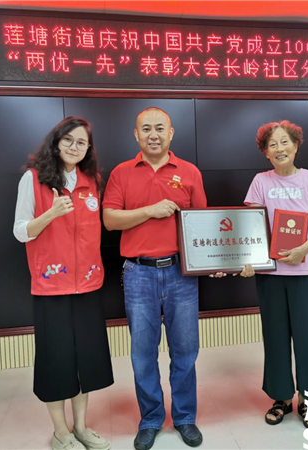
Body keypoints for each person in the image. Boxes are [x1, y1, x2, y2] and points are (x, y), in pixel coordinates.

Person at [102, 107, 206, 450]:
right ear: (136, 135)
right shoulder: (121, 173)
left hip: (181, 273)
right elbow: (110, 220)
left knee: (185, 350)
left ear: (171, 133)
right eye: (146, 129)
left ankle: (185, 417)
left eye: (160, 128)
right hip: (138, 273)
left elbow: (202, 224)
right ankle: (150, 419)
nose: (153, 135)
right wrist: (150, 210)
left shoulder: (189, 172)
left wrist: (216, 260)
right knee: (142, 353)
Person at [13, 117, 114, 450]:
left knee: (86, 360)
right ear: (56, 143)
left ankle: (81, 427)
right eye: (68, 140)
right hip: (51, 287)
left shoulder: (91, 181)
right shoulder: (33, 179)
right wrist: (51, 214)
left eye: (81, 142)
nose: (74, 147)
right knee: (56, 361)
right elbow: (20, 231)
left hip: (88, 285)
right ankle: (61, 432)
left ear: (88, 149)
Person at [241, 120, 308, 428]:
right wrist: (249, 259)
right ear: (265, 152)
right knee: (275, 337)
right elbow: (251, 224)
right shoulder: (260, 181)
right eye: (272, 145)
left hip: (306, 270)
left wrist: (304, 248)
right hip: (270, 273)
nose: (279, 149)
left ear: (296, 146)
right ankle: (281, 397)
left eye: (284, 142)